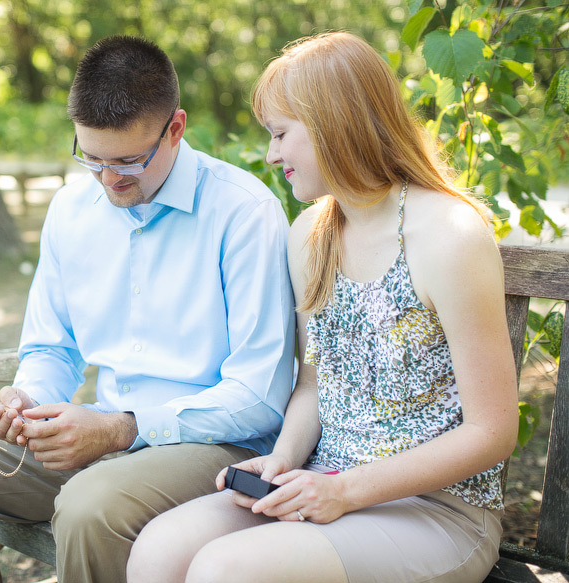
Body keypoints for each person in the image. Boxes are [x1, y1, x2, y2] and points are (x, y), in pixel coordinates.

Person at [0, 35, 296, 583]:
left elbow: (260, 398)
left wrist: (121, 429)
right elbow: (53, 346)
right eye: (90, 158)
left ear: (176, 128)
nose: (108, 179)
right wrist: (29, 398)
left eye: (127, 161)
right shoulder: (73, 209)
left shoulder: (244, 213)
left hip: (214, 446)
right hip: (98, 438)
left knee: (89, 503)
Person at [127, 31, 518, 583]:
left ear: (336, 124)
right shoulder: (311, 233)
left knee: (225, 571)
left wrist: (344, 490)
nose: (271, 153)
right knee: (157, 551)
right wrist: (283, 460)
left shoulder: (449, 236)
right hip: (324, 483)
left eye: (281, 133)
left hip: (437, 509)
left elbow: (491, 432)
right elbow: (315, 382)